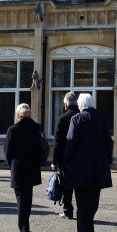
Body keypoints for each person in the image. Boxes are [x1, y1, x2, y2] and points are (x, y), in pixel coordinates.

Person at [65, 93, 113, 232]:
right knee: (94, 199)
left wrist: (68, 160)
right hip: (99, 165)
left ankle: (84, 231)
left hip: (81, 166)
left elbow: (71, 141)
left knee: (82, 201)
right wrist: (107, 159)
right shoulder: (101, 118)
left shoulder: (77, 119)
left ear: (80, 105)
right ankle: (89, 226)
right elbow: (108, 142)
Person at [4, 103, 43, 232]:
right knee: (28, 198)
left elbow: (8, 152)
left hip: (18, 167)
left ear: (18, 114)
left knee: (21, 199)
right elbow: (40, 149)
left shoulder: (13, 129)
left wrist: (12, 166)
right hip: (32, 167)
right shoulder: (36, 128)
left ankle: (23, 228)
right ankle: (26, 225)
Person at [50, 91, 79, 219]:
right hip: (80, 157)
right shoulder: (81, 116)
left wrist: (54, 161)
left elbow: (58, 142)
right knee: (79, 184)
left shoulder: (62, 118)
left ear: (66, 104)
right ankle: (82, 211)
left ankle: (68, 210)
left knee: (66, 185)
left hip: (65, 158)